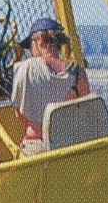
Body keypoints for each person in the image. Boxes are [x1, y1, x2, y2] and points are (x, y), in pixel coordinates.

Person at [9, 17, 89, 156]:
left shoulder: (25, 68)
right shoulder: (77, 71)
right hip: (70, 148)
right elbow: (86, 110)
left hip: (36, 147)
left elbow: (19, 115)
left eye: (30, 44)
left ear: (38, 40)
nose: (30, 51)